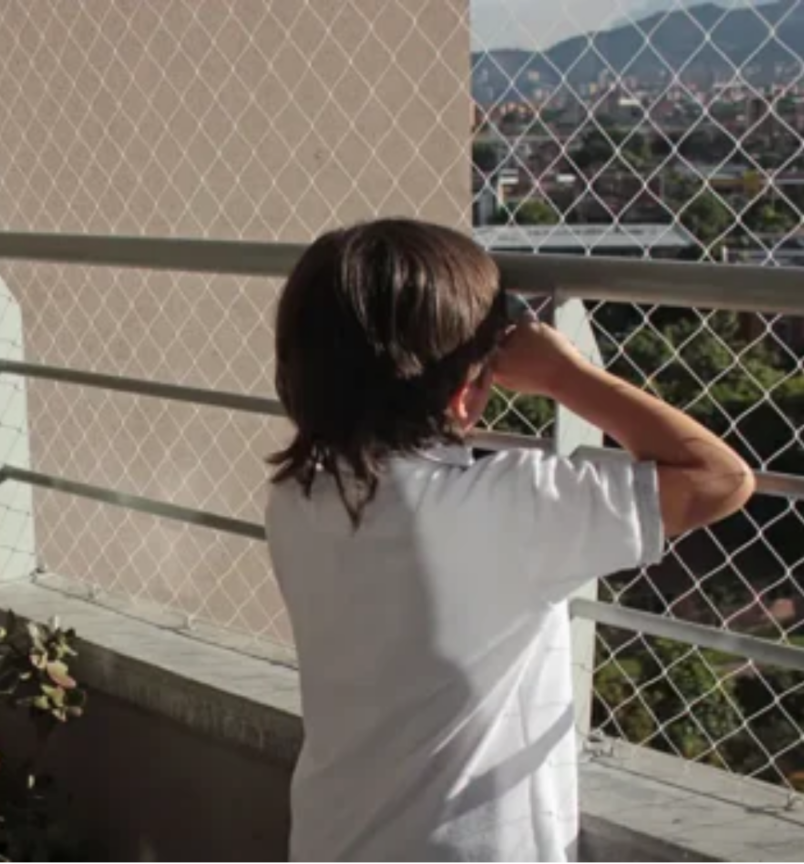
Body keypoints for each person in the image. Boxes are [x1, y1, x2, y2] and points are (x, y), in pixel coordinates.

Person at [265, 218, 755, 861]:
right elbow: (721, 478)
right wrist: (564, 376)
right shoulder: (509, 508)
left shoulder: (297, 496)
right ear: (467, 395)